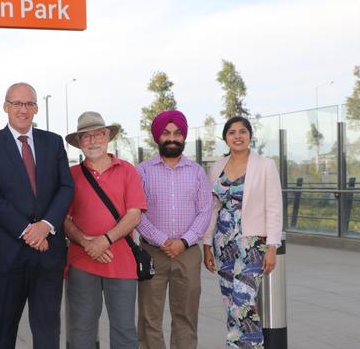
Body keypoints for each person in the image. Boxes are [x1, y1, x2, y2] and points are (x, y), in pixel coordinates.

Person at [0, 82, 74, 349]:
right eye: (16, 103)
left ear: (36, 108)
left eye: (29, 103)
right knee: (2, 331)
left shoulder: (53, 143)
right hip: (7, 254)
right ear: (6, 107)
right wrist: (28, 231)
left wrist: (46, 226)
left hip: (48, 254)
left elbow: (66, 187)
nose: (23, 109)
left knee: (47, 332)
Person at [63, 111, 147, 348]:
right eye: (86, 137)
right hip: (82, 262)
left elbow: (134, 214)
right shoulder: (71, 176)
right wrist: (86, 242)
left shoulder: (127, 170)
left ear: (107, 136)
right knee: (81, 330)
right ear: (79, 143)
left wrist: (104, 240)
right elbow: (64, 219)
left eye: (98, 134)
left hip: (121, 263)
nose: (92, 141)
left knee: (124, 331)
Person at [202, 116, 283, 349]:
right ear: (225, 138)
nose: (238, 136)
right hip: (222, 242)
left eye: (243, 131)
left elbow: (274, 207)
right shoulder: (217, 167)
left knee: (243, 305)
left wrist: (272, 247)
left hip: (252, 244)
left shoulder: (265, 165)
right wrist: (207, 245)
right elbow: (212, 208)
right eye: (232, 132)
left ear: (250, 136)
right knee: (230, 303)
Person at [135, 110, 213, 349]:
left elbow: (205, 211)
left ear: (183, 137)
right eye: (166, 133)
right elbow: (136, 212)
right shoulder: (143, 171)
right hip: (151, 253)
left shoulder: (197, 172)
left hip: (187, 254)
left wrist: (184, 241)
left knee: (186, 316)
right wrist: (162, 240)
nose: (172, 137)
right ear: (157, 137)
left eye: (177, 133)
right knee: (149, 318)